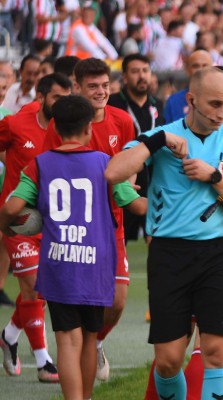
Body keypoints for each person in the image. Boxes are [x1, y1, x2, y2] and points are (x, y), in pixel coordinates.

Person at [105, 66, 223, 400]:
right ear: (191, 100)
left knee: (216, 353)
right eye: (215, 104)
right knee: (168, 361)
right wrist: (157, 141)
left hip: (220, 254)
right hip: (169, 255)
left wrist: (215, 178)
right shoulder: (163, 135)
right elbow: (114, 172)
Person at [0, 94, 146, 400]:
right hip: (96, 263)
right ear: (89, 129)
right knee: (90, 337)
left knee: (67, 340)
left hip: (59, 264)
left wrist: (5, 226)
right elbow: (134, 205)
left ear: (55, 128)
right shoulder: (106, 164)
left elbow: (12, 208)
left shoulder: (39, 165)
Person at [43, 57, 136, 382]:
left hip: (111, 226)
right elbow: (49, 166)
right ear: (77, 87)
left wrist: (128, 186)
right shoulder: (61, 124)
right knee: (71, 311)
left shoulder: (122, 121)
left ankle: (95, 343)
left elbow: (130, 162)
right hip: (73, 229)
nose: (101, 92)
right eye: (93, 86)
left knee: (118, 301)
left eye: (105, 85)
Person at [0, 73, 71, 383]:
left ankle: (9, 335)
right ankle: (44, 362)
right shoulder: (17, 123)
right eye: (57, 97)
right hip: (19, 220)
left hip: (54, 222)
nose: (63, 104)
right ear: (41, 98)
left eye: (66, 97)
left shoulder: (69, 129)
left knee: (41, 291)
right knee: (32, 285)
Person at [108, 53, 164, 243]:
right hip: (124, 179)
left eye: (145, 71)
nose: (141, 76)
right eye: (135, 71)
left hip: (154, 180)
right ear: (124, 77)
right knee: (117, 239)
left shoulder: (158, 105)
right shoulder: (113, 104)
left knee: (157, 241)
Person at [163, 49, 213, 123]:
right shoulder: (174, 101)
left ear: (212, 70)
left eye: (205, 66)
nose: (200, 70)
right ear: (187, 70)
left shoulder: (222, 99)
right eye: (196, 66)